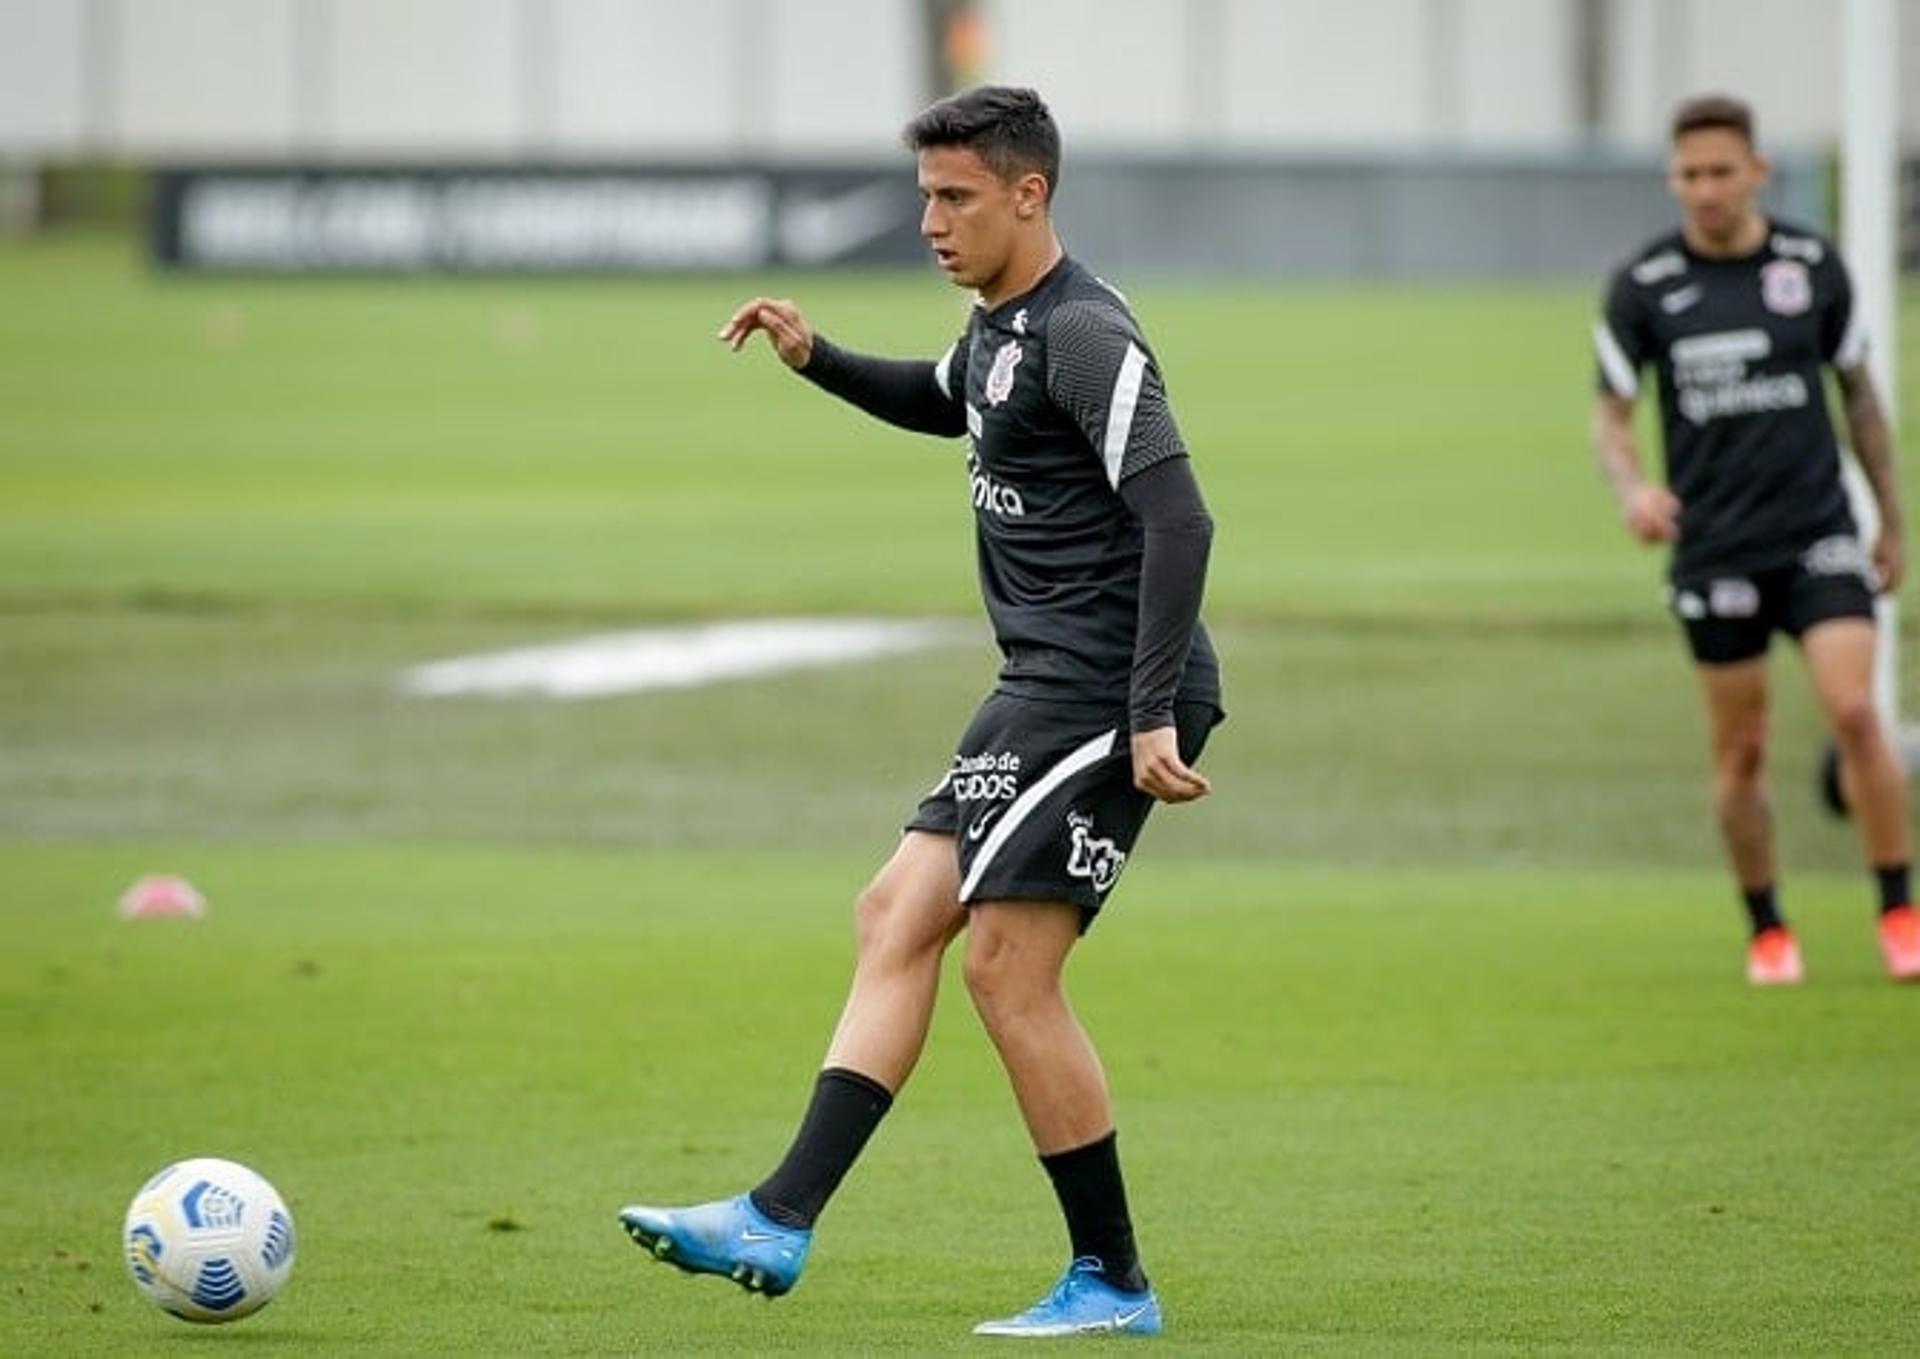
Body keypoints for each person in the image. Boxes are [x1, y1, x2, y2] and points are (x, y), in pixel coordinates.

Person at [618, 85, 1223, 1337]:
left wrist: (1152, 711)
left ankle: (1111, 1281)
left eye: (954, 198)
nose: (932, 223)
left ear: (1028, 193)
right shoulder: (999, 332)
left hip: (1107, 689)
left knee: (1008, 969)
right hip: (1041, 687)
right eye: (923, 198)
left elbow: (1180, 515)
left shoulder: (1083, 334)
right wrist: (818, 359)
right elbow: (947, 398)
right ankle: (777, 1219)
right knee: (895, 910)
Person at [1590, 93, 1919, 985]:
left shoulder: (1811, 267)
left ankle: (1898, 910)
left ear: (1758, 172)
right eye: (1689, 174)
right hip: (1716, 549)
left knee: (1855, 711)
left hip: (1817, 532)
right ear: (1673, 179)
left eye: (1720, 172)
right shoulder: (1645, 286)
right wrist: (1634, 489)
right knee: (1741, 749)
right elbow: (1612, 418)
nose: (1704, 189)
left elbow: (1860, 399)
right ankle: (1769, 929)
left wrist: (1891, 518)